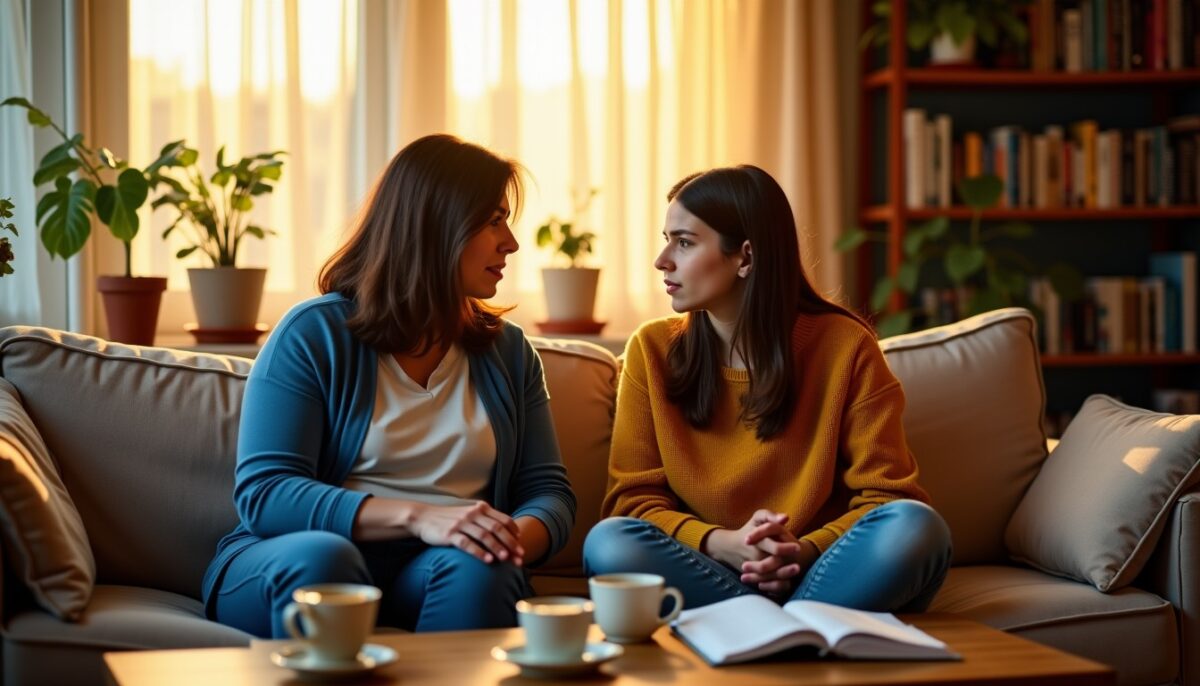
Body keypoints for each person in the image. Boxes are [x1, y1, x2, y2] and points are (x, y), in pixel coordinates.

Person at [202, 134, 577, 637]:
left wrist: (500, 538)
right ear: (435, 226)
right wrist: (421, 517)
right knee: (323, 557)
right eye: (493, 221)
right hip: (292, 559)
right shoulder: (313, 334)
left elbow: (548, 492)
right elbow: (265, 494)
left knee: (483, 567)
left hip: (432, 569)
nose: (510, 242)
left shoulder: (508, 353)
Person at [582, 165, 950, 612]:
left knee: (917, 526)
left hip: (820, 568)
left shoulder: (846, 348)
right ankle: (796, 630)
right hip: (706, 565)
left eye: (684, 242)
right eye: (667, 239)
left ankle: (763, 628)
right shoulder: (652, 350)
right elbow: (632, 503)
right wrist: (723, 543)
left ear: (746, 257)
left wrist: (801, 551)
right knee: (610, 542)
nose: (662, 260)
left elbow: (888, 497)